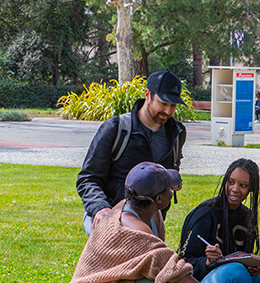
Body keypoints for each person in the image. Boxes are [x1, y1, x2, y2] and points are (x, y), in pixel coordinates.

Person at [45, 162, 260, 283]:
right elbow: (171, 273)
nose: (172, 191)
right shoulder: (133, 229)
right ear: (159, 198)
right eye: (169, 188)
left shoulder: (144, 212)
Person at [77, 70, 187, 235]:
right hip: (108, 214)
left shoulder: (177, 133)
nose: (168, 111)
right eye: (163, 103)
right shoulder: (116, 129)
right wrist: (100, 208)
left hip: (150, 219)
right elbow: (87, 179)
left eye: (173, 105)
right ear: (147, 94)